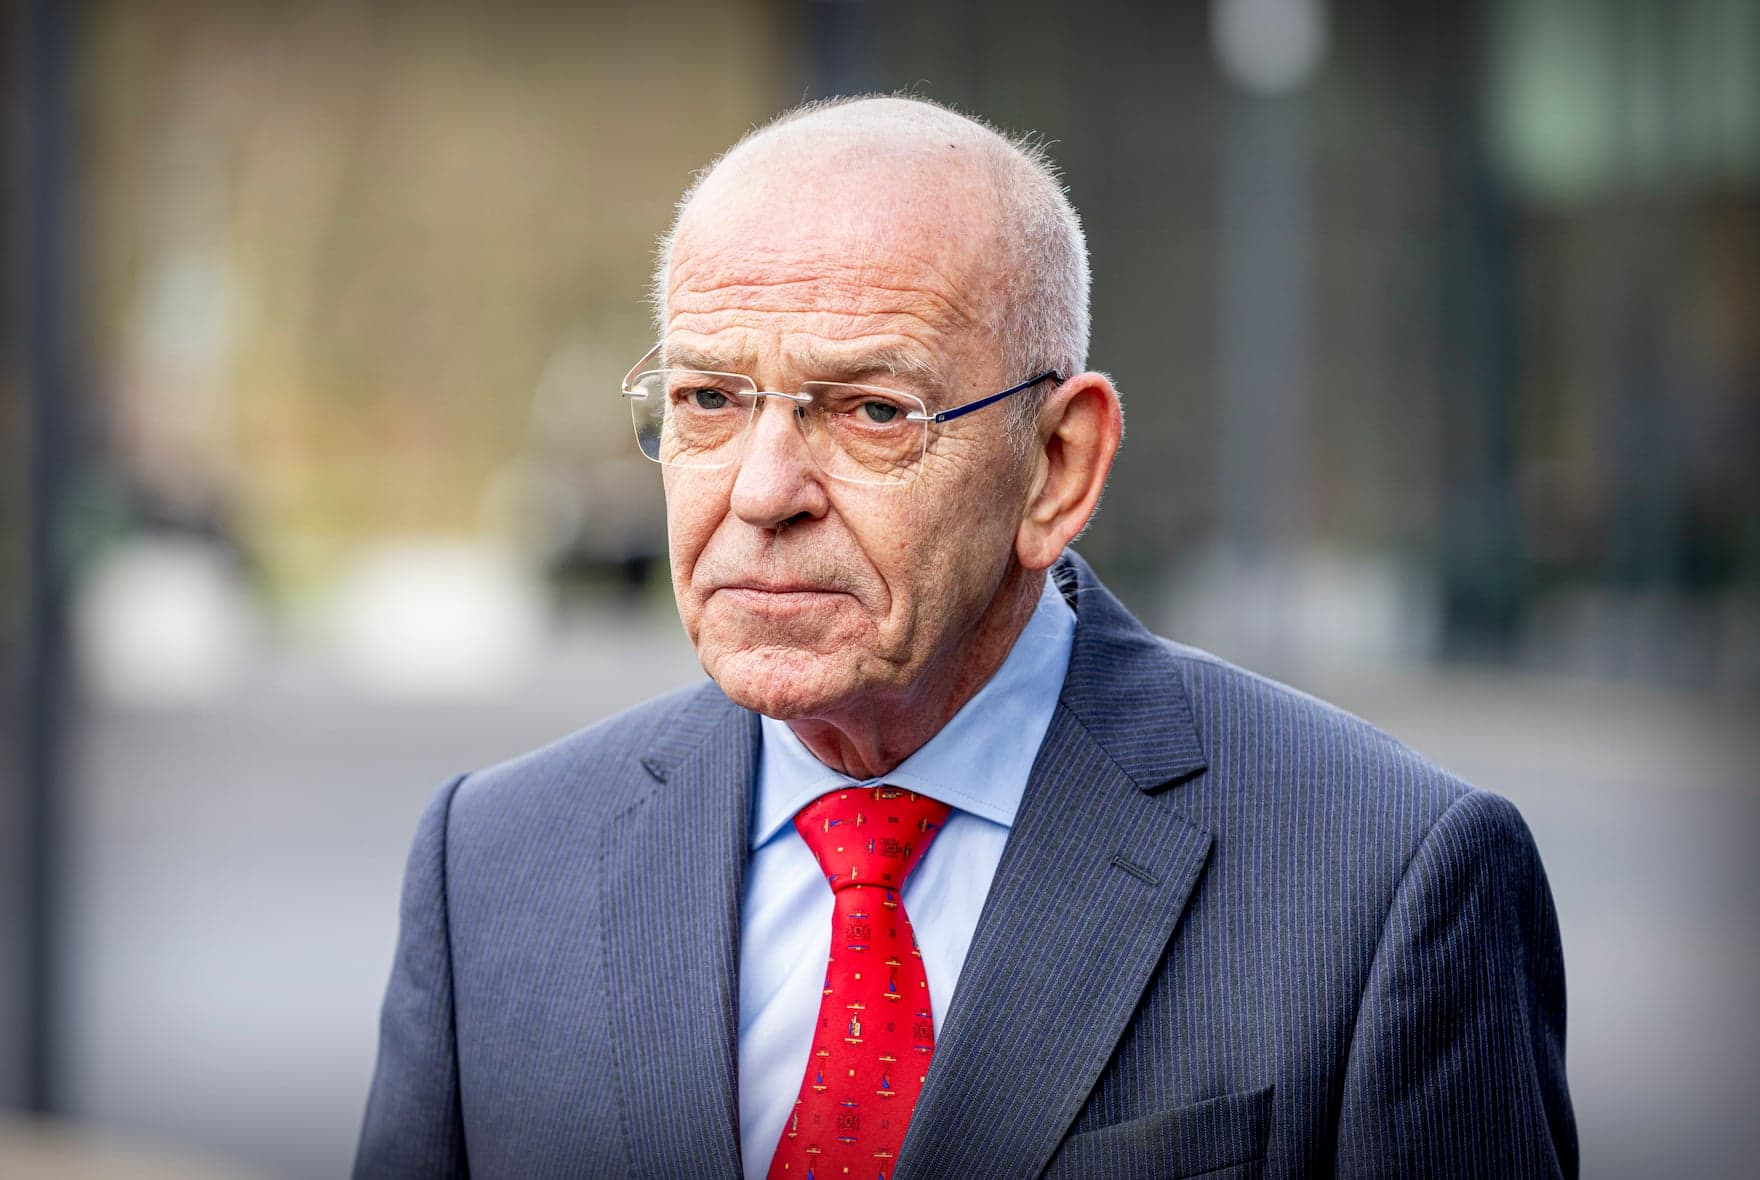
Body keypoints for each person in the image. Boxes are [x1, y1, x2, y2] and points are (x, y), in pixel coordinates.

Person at [354, 95, 1576, 1179]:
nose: (763, 488)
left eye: (874, 410)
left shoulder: (1387, 886)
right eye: (708, 399)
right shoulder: (493, 868)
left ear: (1058, 464)